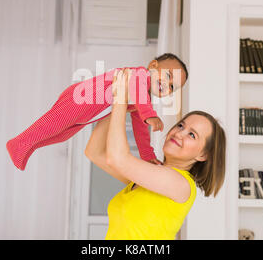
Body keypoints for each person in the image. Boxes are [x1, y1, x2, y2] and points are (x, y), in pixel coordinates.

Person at [84, 69, 226, 240]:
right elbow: (94, 152)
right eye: (181, 126)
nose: (179, 133)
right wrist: (122, 105)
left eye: (192, 135)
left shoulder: (180, 184)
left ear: (203, 155)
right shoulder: (151, 176)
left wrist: (121, 100)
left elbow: (117, 159)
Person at [6, 53, 188, 171]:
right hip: (82, 97)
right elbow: (140, 95)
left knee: (62, 134)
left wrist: (148, 156)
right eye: (168, 76)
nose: (167, 84)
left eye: (173, 86)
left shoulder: (141, 101)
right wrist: (150, 115)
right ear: (153, 66)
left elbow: (140, 130)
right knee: (53, 124)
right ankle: (19, 143)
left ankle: (29, 147)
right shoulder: (140, 75)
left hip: (88, 113)